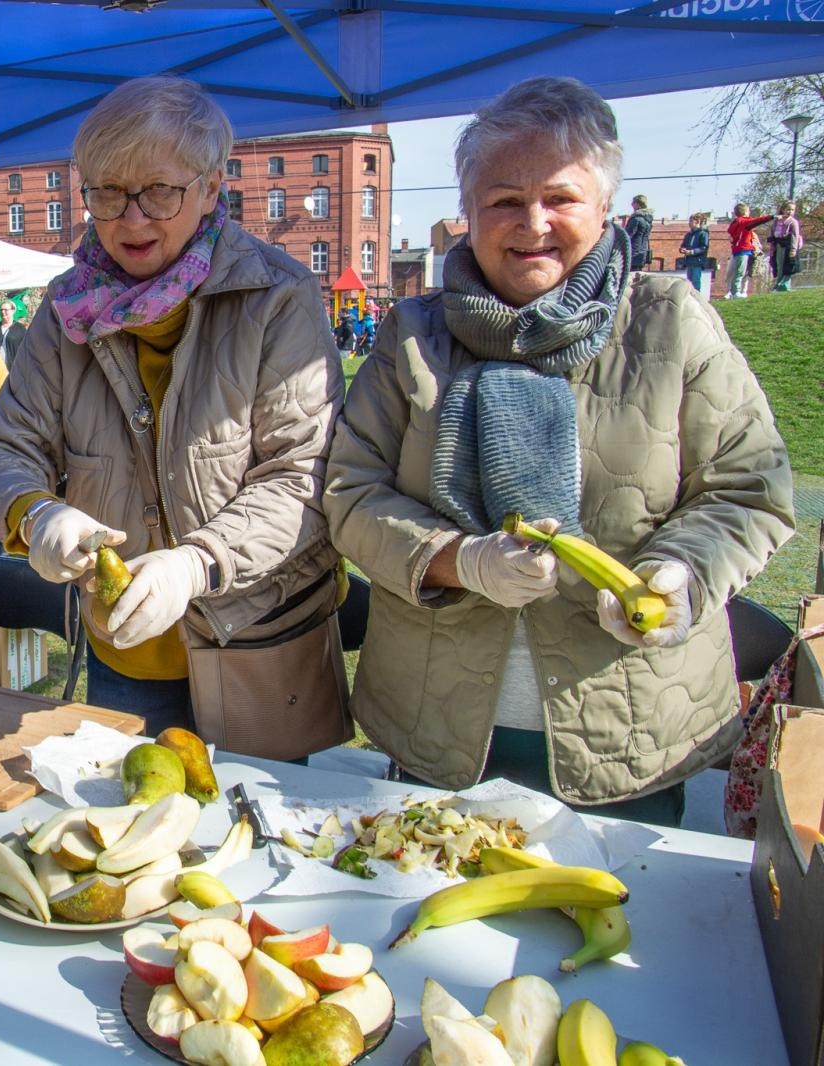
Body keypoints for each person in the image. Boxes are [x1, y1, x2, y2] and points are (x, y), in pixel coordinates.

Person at [323, 76, 794, 826]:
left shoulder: (670, 322)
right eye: (505, 199)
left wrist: (683, 572)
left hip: (629, 731)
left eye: (561, 199)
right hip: (438, 723)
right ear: (467, 214)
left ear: (604, 208)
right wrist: (457, 560)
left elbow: (749, 488)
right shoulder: (413, 332)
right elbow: (349, 493)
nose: (532, 222)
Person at [0, 75, 344, 733]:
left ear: (210, 187)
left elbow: (301, 478)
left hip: (259, 642)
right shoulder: (65, 310)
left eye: (159, 192)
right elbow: (3, 449)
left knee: (256, 827)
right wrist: (34, 511)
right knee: (130, 819)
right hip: (128, 648)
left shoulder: (278, 297)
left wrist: (196, 565)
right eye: (107, 193)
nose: (130, 218)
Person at [727, 202, 774, 299]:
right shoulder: (744, 222)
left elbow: (732, 235)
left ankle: (736, 291)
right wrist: (772, 217)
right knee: (740, 272)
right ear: (745, 212)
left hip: (738, 250)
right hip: (743, 250)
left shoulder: (735, 223)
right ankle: (736, 292)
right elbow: (758, 220)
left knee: (740, 271)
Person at [770, 200, 805, 292]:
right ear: (783, 209)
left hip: (788, 245)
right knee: (779, 266)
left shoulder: (793, 222)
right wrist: (772, 246)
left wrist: (793, 250)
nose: (790, 212)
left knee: (787, 266)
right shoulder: (777, 221)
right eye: (788, 209)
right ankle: (779, 285)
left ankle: (783, 285)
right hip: (778, 245)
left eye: (792, 210)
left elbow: (795, 236)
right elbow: (773, 233)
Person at [0, 296, 29, 366]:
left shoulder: (20, 329)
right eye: (1, 310)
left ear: (12, 311)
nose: (3, 312)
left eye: (6, 310)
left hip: (14, 368)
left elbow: (26, 349)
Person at [679, 211, 711, 295]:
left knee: (696, 281)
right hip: (689, 261)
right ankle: (690, 297)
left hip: (698, 261)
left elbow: (703, 247)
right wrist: (682, 249)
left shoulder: (703, 234)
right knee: (689, 282)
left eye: (691, 221)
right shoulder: (689, 235)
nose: (689, 223)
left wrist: (692, 252)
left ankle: (697, 298)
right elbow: (683, 245)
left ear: (697, 222)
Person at [624, 193, 653, 271]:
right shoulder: (648, 220)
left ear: (638, 204)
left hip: (633, 253)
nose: (631, 204)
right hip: (642, 254)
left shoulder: (636, 219)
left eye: (633, 202)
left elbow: (627, 236)